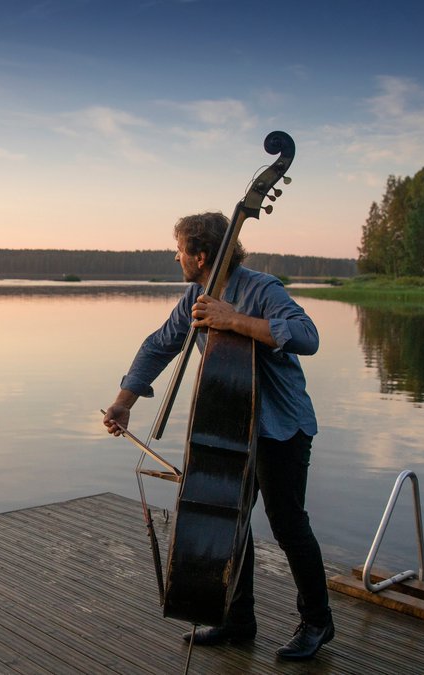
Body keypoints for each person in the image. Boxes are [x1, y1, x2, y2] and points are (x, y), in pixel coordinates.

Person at [102, 212, 334, 661]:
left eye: (180, 250)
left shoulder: (262, 289)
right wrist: (123, 402)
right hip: (231, 428)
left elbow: (308, 336)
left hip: (282, 428)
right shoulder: (195, 295)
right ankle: (237, 618)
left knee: (288, 525)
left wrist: (235, 320)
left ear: (201, 254)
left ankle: (317, 622)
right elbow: (159, 344)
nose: (175, 257)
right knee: (231, 520)